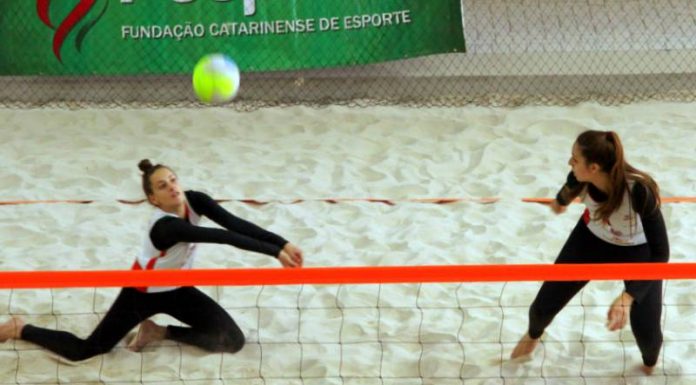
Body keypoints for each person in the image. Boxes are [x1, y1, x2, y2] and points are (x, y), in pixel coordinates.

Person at [0, 159, 303, 362]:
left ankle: (159, 331)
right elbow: (221, 237)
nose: (173, 187)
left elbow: (234, 224)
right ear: (153, 200)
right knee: (87, 350)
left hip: (178, 290)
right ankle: (20, 328)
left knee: (231, 341)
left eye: (173, 180)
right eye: (162, 186)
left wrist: (283, 243)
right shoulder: (165, 226)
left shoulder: (194, 200)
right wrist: (274, 254)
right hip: (141, 294)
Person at [510, 130, 669, 375]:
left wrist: (627, 297)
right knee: (541, 309)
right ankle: (533, 336)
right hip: (591, 240)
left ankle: (649, 368)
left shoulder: (639, 190)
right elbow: (566, 190)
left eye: (575, 159)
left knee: (648, 336)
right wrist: (559, 203)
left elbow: (661, 254)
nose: (570, 163)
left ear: (593, 167)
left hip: (638, 251)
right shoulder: (579, 178)